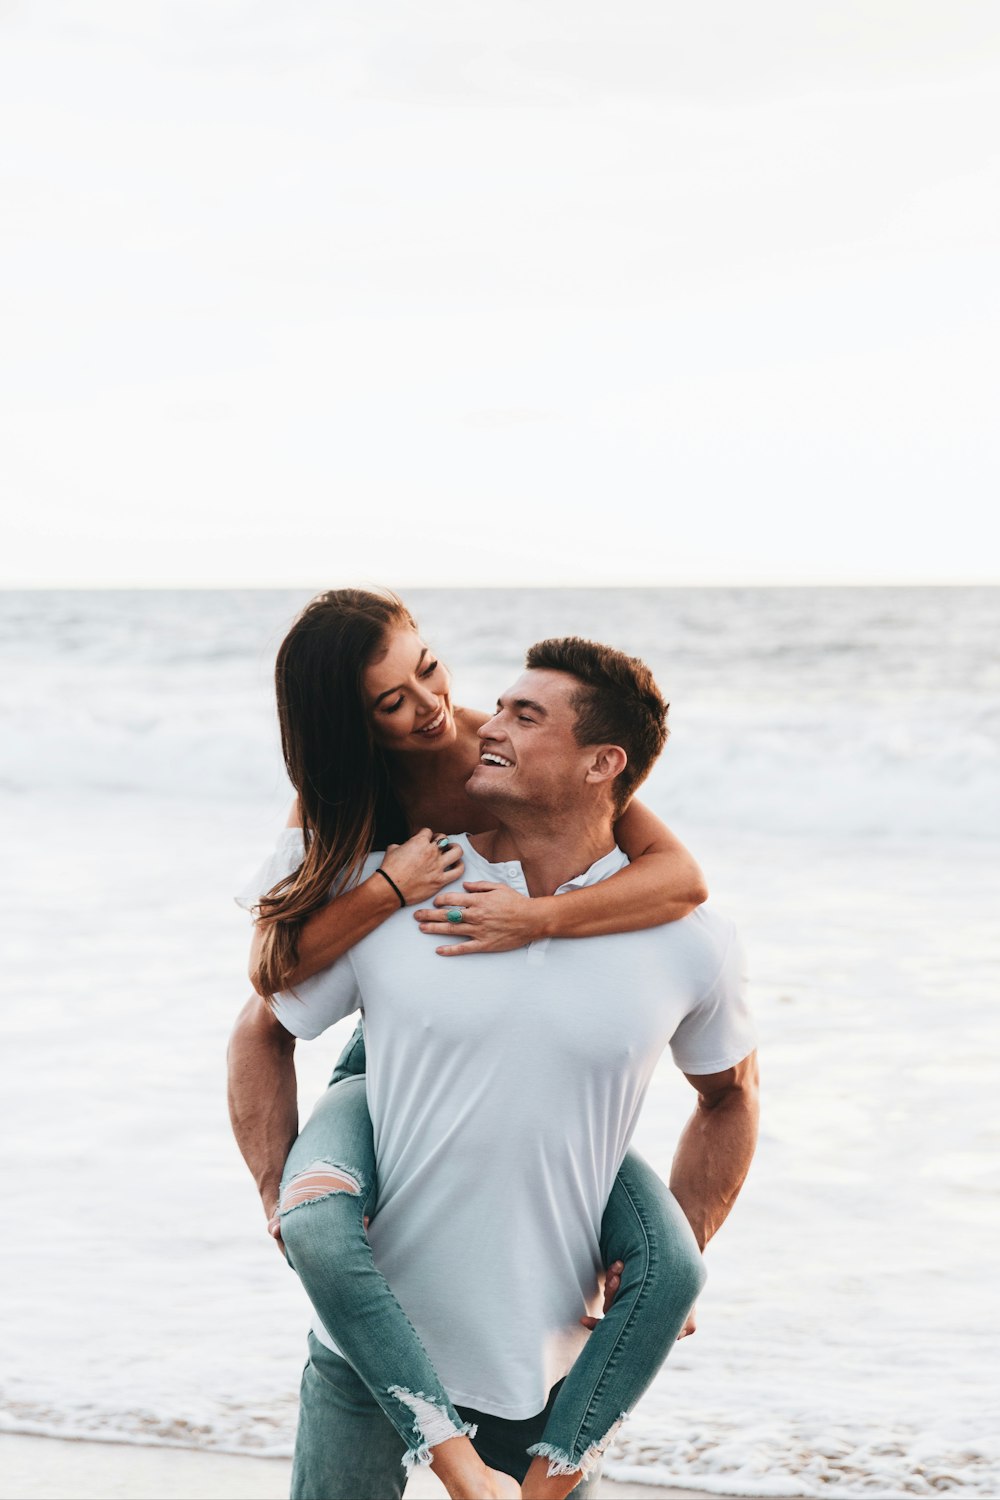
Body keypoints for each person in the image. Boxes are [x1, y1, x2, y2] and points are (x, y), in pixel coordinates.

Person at [228, 593, 757, 1498]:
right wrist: (389, 890)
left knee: (675, 1269)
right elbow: (269, 991)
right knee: (316, 1218)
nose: (444, 712)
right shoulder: (364, 827)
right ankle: (459, 1462)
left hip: (537, 1365)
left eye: (428, 669)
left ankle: (547, 1479)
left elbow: (682, 886)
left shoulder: (679, 934)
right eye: (390, 702)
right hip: (385, 1070)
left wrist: (541, 919)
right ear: (349, 727)